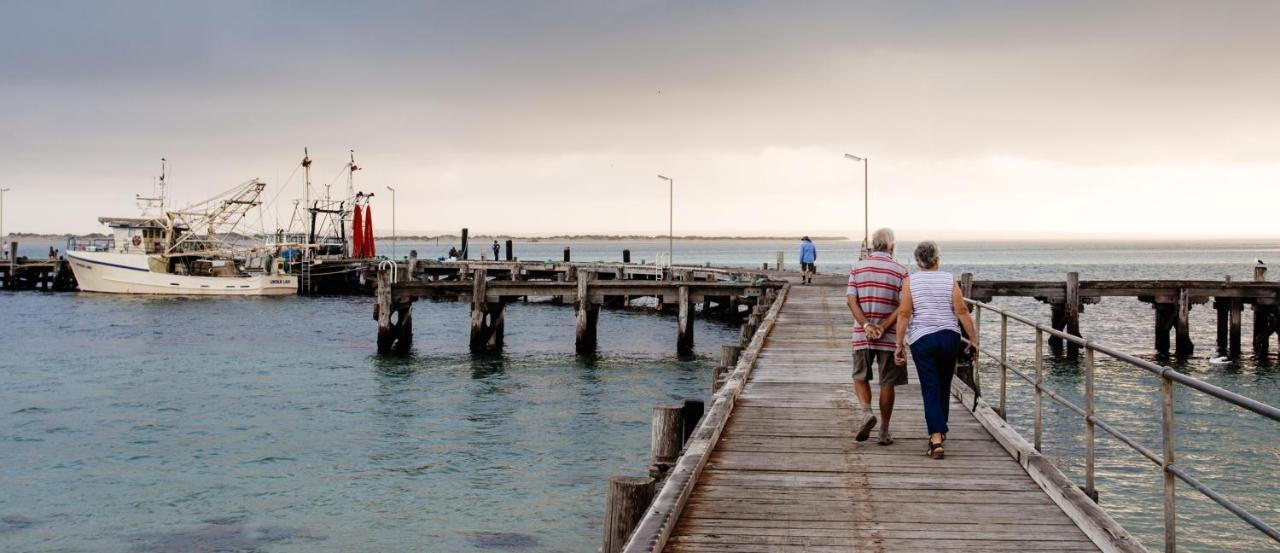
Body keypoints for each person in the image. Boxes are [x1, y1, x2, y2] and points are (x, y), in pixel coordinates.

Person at [893, 241, 979, 459]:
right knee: (943, 386)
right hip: (949, 338)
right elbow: (961, 310)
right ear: (937, 259)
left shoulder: (910, 282)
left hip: (922, 339)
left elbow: (904, 314)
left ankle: (936, 438)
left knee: (930, 388)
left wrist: (899, 344)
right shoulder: (949, 279)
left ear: (917, 261)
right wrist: (973, 338)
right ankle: (940, 430)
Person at [846, 228, 908, 445]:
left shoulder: (857, 267)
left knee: (859, 375)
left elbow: (851, 301)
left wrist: (866, 325)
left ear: (872, 245)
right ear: (891, 245)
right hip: (890, 337)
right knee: (887, 382)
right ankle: (883, 430)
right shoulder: (901, 270)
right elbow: (903, 307)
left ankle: (866, 412)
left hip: (862, 334)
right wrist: (882, 327)